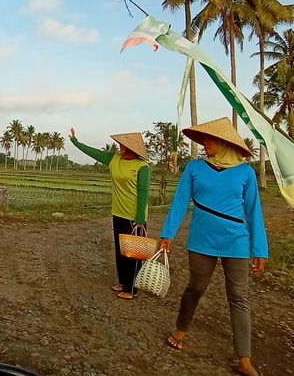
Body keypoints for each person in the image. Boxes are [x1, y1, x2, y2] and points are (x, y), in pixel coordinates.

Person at [159, 117, 267, 376]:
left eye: (209, 139)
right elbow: (181, 201)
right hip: (202, 240)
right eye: (203, 139)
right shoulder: (195, 168)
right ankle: (181, 330)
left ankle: (244, 358)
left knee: (238, 297)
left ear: (225, 142)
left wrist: (260, 249)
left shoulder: (245, 172)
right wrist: (167, 234)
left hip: (236, 241)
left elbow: (253, 211)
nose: (203, 142)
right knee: (195, 287)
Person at [69, 128, 151, 299]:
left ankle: (131, 289)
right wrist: (76, 142)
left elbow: (143, 193)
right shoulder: (114, 159)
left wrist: (140, 219)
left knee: (133, 253)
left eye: (123, 145)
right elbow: (93, 152)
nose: (119, 147)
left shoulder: (143, 167)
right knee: (120, 250)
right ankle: (123, 282)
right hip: (118, 212)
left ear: (131, 148)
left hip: (134, 216)